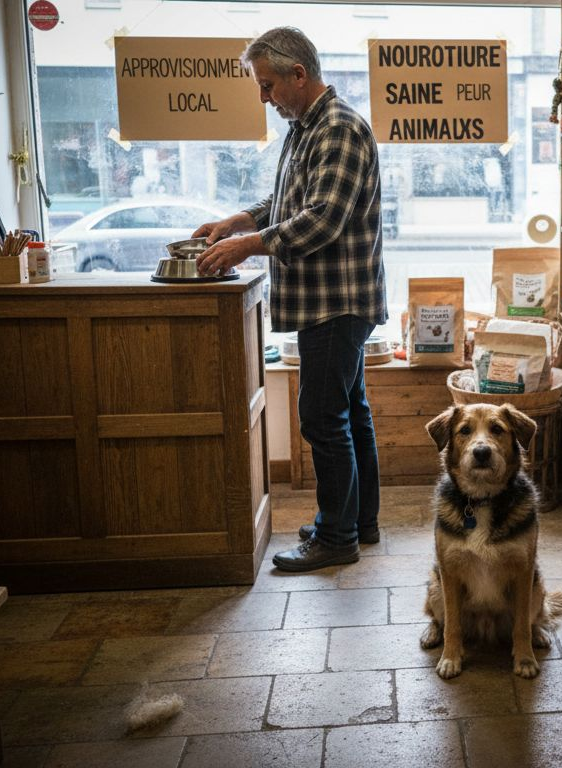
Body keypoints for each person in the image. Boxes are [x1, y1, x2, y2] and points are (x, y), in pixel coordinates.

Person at [194, 27, 387, 572]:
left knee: (322, 418)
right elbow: (291, 198)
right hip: (328, 299)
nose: (264, 97)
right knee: (350, 412)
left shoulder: (341, 129)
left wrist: (247, 246)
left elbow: (321, 219)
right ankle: (358, 521)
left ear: (299, 75)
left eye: (268, 84)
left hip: (336, 301)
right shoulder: (307, 126)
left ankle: (335, 537)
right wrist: (244, 219)